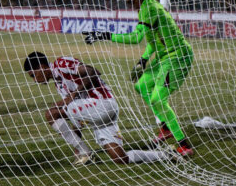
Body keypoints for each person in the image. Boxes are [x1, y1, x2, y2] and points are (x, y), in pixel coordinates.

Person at [83, 0, 194, 156]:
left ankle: (184, 144)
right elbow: (153, 41)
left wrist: (105, 35)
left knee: (158, 99)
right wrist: (143, 60)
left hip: (178, 57)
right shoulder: (145, 7)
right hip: (164, 56)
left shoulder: (149, 9)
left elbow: (136, 38)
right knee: (141, 85)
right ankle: (165, 127)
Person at [24, 51, 176, 165]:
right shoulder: (58, 84)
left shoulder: (61, 64)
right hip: (97, 114)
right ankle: (166, 154)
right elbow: (76, 116)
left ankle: (86, 152)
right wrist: (77, 145)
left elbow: (92, 72)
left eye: (33, 74)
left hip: (102, 104)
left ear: (42, 67)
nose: (34, 80)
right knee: (120, 158)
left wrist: (72, 96)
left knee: (52, 113)